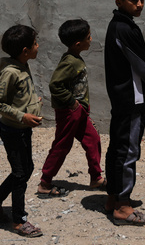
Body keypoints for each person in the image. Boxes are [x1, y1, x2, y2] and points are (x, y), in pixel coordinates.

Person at [103, 0, 145, 225]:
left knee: (117, 147)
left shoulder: (119, 25)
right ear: (119, 2)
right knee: (128, 151)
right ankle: (124, 206)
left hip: (122, 97)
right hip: (132, 98)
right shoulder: (125, 29)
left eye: (142, 0)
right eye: (133, 0)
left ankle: (113, 198)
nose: (139, 5)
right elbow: (143, 66)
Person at [0, 24, 44, 237]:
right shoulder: (10, 72)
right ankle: (19, 221)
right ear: (25, 50)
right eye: (35, 43)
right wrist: (23, 115)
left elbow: (19, 96)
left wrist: (33, 104)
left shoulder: (22, 64)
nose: (38, 46)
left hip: (22, 129)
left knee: (25, 169)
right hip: (12, 130)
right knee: (20, 173)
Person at [37, 19, 106, 196]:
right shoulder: (70, 62)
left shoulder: (75, 58)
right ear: (78, 44)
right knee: (62, 145)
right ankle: (45, 183)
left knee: (93, 139)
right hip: (69, 112)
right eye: (88, 37)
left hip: (79, 112)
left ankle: (96, 177)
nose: (91, 39)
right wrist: (72, 102)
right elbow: (55, 84)